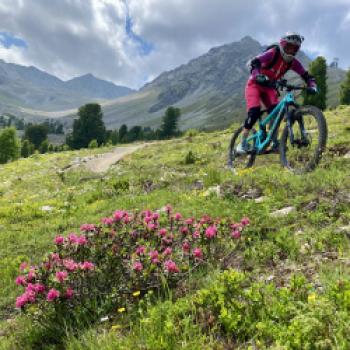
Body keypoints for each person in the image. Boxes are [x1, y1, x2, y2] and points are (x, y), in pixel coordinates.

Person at [237, 32, 317, 154]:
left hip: (269, 87)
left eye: (294, 49)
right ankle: (242, 144)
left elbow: (306, 75)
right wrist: (257, 75)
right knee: (254, 112)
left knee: (276, 114)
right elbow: (255, 62)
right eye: (288, 47)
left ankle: (274, 142)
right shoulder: (273, 53)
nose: (290, 51)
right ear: (283, 45)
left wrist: (312, 85)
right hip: (255, 85)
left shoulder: (293, 62)